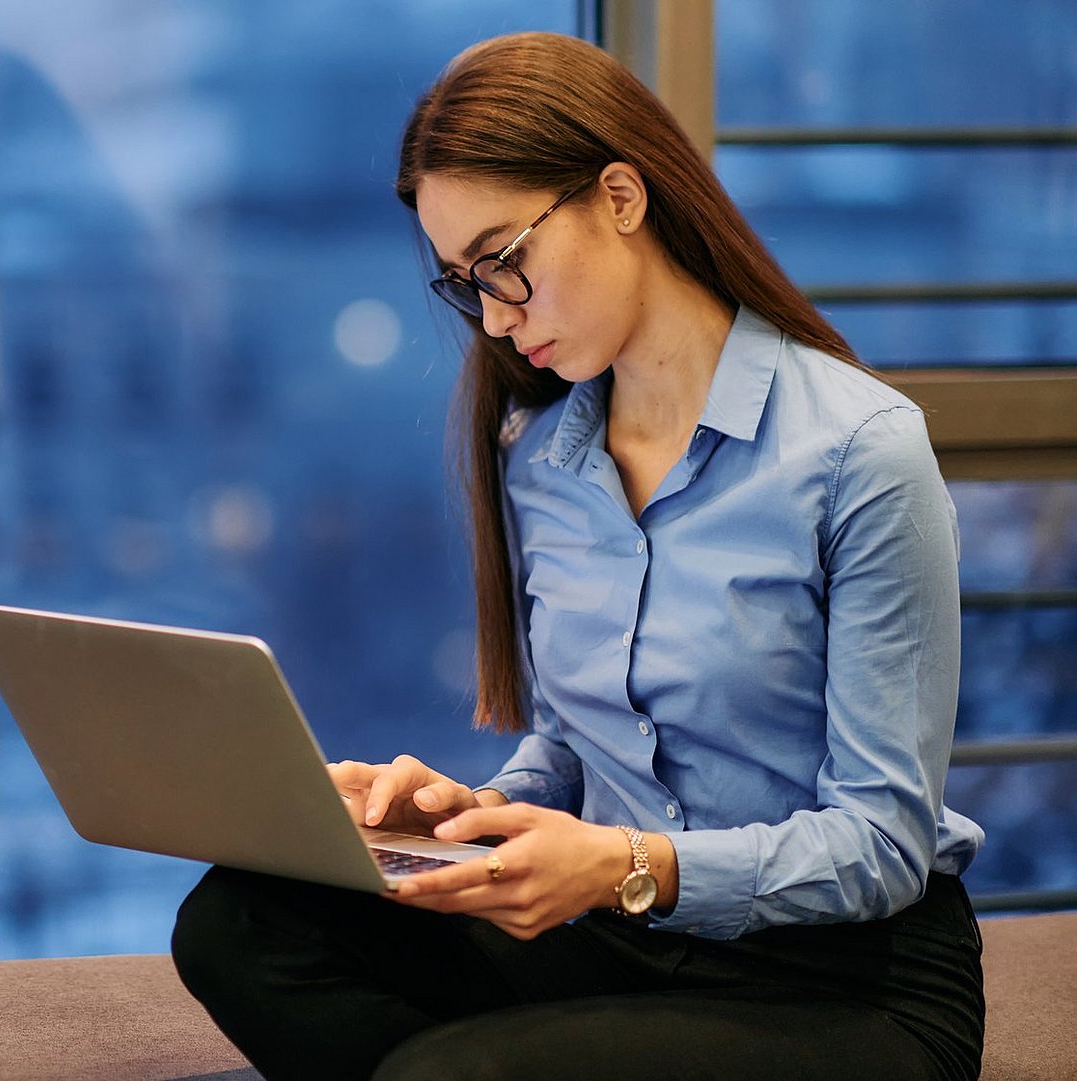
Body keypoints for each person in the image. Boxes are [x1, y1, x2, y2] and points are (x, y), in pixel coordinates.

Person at [170, 31, 984, 1081]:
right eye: (467, 283)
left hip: (846, 982)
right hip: (627, 938)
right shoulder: (542, 456)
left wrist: (623, 867)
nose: (499, 321)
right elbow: (576, 748)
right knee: (239, 923)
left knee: (451, 1072)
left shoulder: (856, 452)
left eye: (507, 262)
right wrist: (470, 814)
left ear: (621, 196)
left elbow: (882, 844)